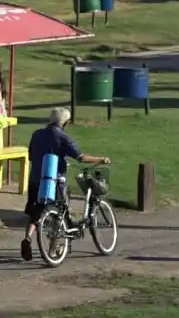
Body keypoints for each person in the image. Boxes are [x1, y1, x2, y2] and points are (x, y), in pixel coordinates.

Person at [20, 108, 111, 261]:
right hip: (55, 181)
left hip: (35, 179)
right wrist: (101, 159)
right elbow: (80, 157)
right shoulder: (63, 137)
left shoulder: (36, 135)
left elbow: (30, 156)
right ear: (65, 123)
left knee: (35, 212)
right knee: (59, 214)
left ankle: (27, 238)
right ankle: (53, 249)